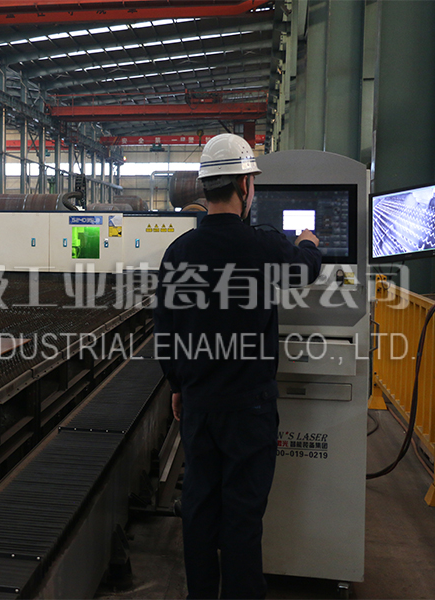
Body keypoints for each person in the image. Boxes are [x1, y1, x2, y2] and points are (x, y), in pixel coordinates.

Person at [154, 133, 322, 599]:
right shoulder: (264, 247)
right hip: (250, 409)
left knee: (199, 511)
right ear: (246, 186)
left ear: (205, 187)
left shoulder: (179, 254)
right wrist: (308, 241)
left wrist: (177, 385)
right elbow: (306, 267)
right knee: (243, 518)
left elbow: (166, 330)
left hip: (200, 405)